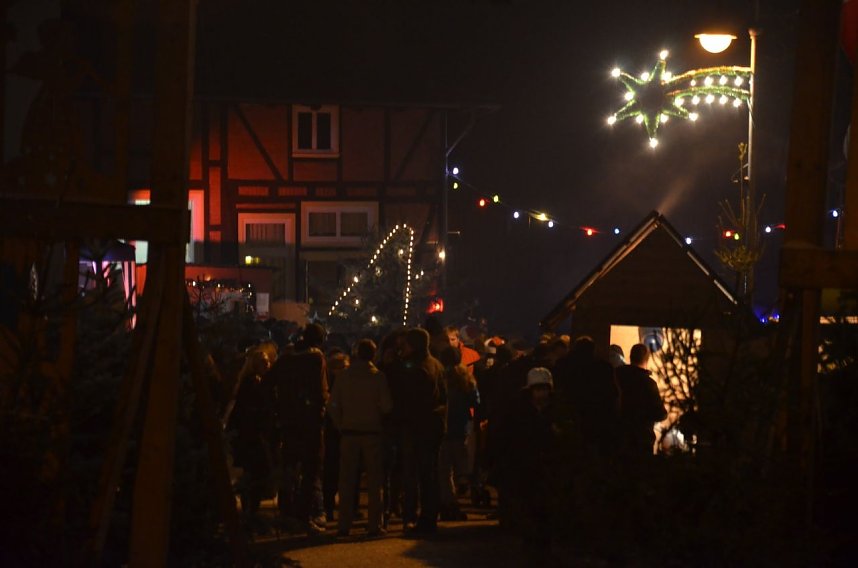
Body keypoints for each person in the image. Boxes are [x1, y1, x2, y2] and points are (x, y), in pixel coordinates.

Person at [266, 323, 329, 535]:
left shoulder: (285, 359)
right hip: (310, 422)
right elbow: (321, 392)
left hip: (288, 421)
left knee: (289, 467)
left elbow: (267, 383)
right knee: (311, 470)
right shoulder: (316, 358)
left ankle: (286, 513)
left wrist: (278, 407)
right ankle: (303, 516)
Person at [328, 339, 393, 537]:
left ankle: (344, 524)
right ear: (373, 355)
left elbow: (333, 405)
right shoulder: (378, 377)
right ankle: (374, 523)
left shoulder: (344, 377)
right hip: (372, 433)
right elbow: (388, 406)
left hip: (348, 433)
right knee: (375, 481)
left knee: (346, 481)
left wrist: (340, 425)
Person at [496, 367, 560, 565]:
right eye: (537, 389)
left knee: (546, 508)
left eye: (544, 389)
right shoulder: (520, 411)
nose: (541, 393)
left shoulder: (556, 411)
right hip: (527, 465)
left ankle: (542, 544)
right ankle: (531, 543)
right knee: (530, 506)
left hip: (547, 466)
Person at [395, 328, 446, 534]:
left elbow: (409, 401)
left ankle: (424, 520)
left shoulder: (418, 369)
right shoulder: (435, 364)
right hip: (433, 426)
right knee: (429, 474)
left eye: (406, 344)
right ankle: (429, 516)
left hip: (419, 427)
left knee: (420, 474)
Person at [228, 347, 275, 531]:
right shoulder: (255, 383)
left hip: (246, 436)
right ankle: (250, 511)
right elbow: (258, 410)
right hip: (254, 437)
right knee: (257, 473)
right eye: (264, 363)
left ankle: (249, 510)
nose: (268, 365)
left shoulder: (246, 383)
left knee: (251, 472)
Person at [554, 336, 620, 459]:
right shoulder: (604, 367)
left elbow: (557, 391)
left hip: (569, 418)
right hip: (596, 420)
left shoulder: (562, 365)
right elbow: (613, 394)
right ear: (593, 349)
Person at [437, 346, 479, 521]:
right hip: (461, 428)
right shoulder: (466, 379)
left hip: (442, 429)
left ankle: (449, 503)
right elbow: (476, 402)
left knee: (444, 470)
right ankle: (463, 483)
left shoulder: (439, 377)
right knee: (460, 462)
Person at [615, 343, 667, 457]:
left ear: (630, 357)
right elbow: (660, 414)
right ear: (647, 360)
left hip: (618, 437)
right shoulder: (649, 384)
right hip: (642, 440)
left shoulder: (617, 376)